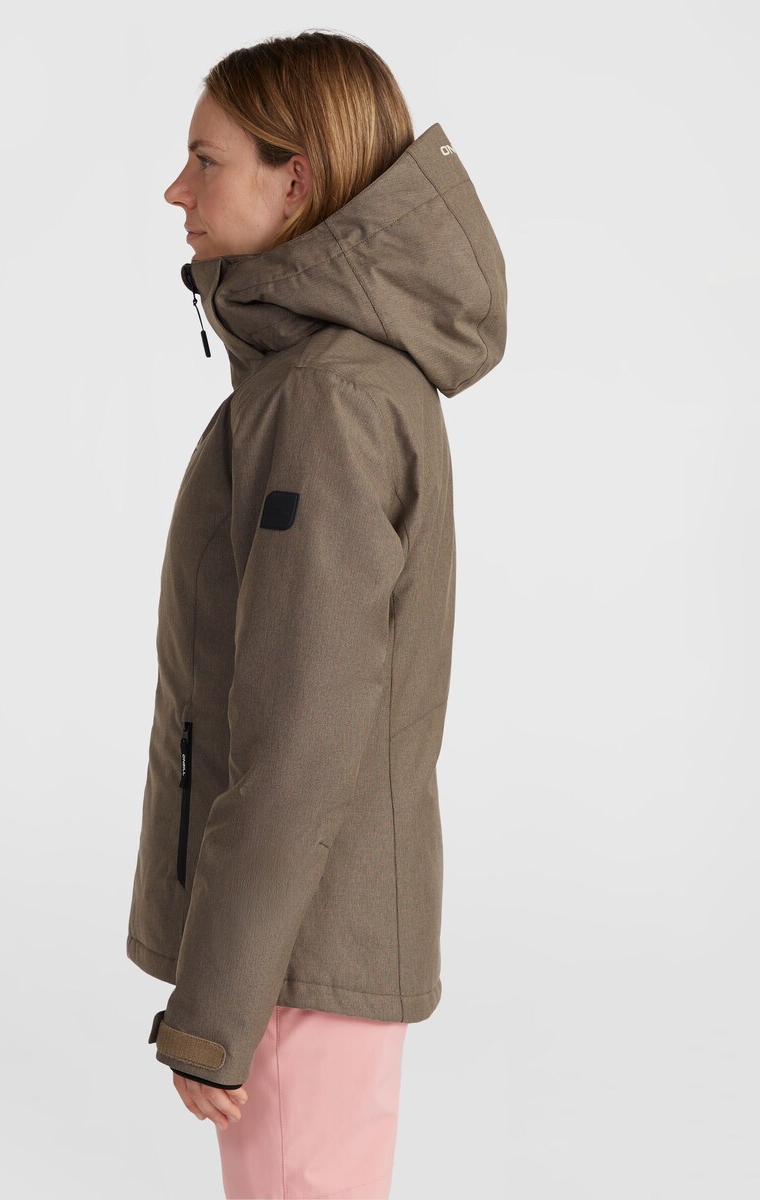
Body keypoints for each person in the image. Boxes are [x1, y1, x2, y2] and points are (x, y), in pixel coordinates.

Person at [127, 29, 507, 1200]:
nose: (177, 190)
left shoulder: (326, 400)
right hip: (307, 944)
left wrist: (217, 1004)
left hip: (293, 960)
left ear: (294, 181)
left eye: (206, 160)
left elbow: (300, 734)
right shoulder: (331, 381)